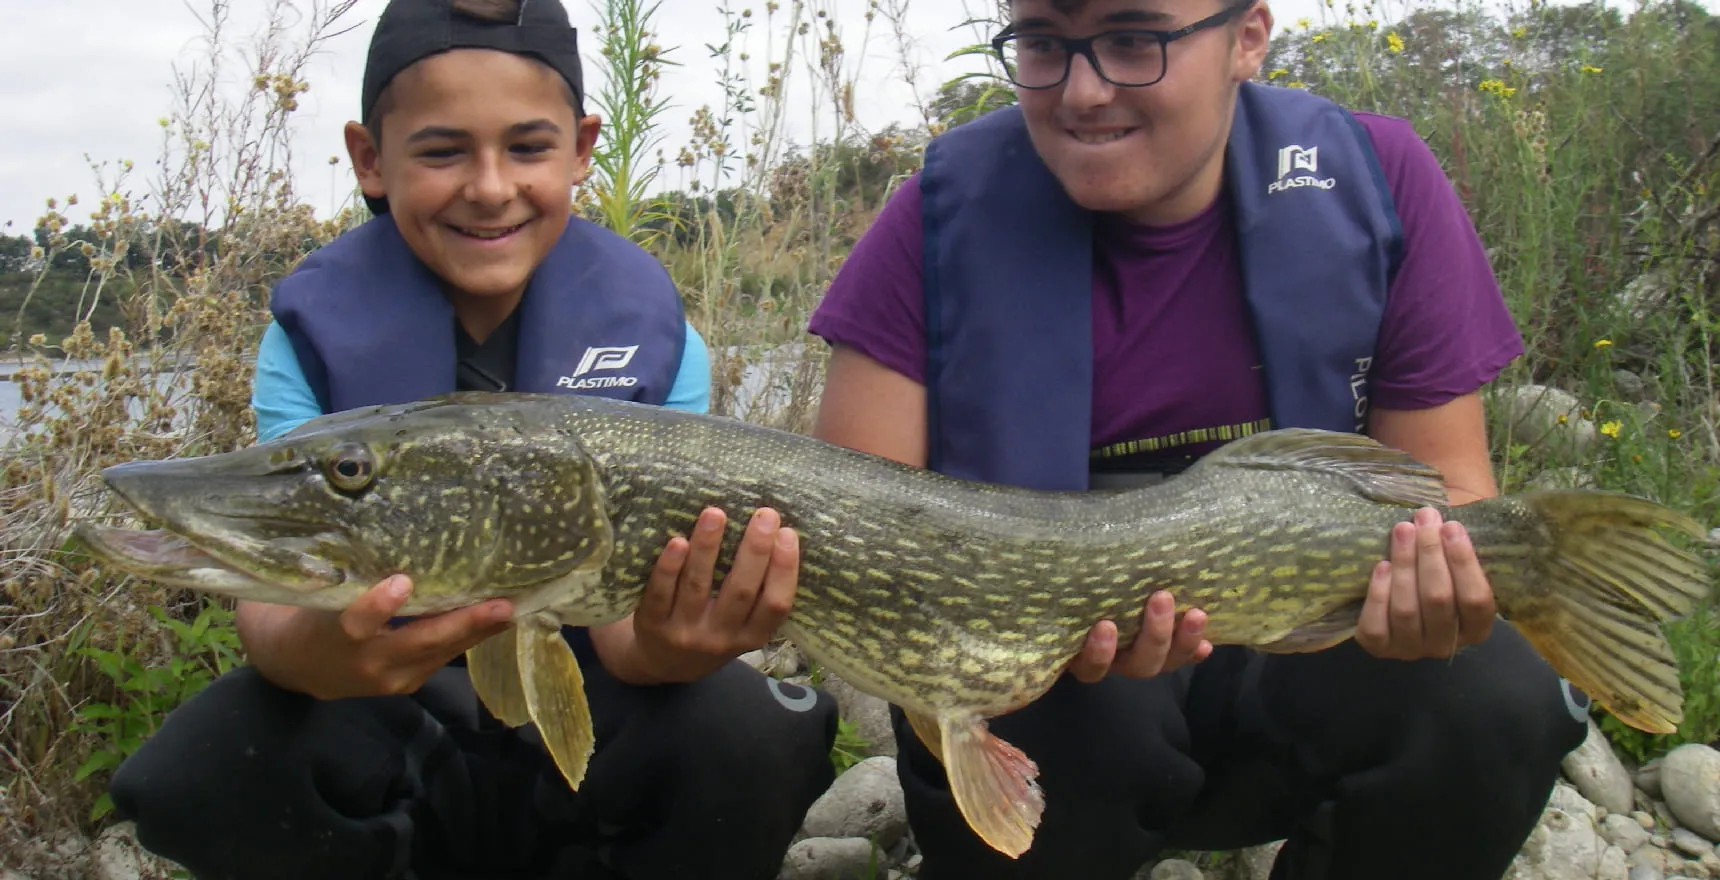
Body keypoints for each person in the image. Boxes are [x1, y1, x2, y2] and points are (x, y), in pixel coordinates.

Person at [807, 0, 1590, 878]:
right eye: (1042, 43)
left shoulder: (1377, 175)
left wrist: (1435, 593)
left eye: (1135, 39)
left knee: (1493, 694)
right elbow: (856, 526)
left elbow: (1447, 485)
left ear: (1247, 38)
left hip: (1299, 664)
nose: (1085, 89)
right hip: (1055, 700)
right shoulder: (933, 220)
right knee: (1091, 715)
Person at [108, 1, 838, 878]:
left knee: (747, 730)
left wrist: (675, 645)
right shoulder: (311, 336)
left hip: (597, 703)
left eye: (527, 148)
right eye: (444, 150)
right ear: (370, 159)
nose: (489, 186)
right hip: (400, 716)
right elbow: (272, 614)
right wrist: (324, 654)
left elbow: (627, 644)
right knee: (207, 768)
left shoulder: (656, 337)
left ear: (582, 148)